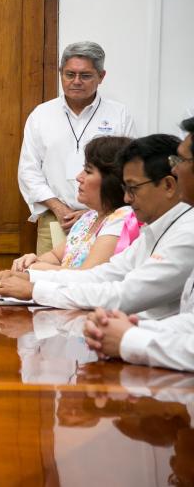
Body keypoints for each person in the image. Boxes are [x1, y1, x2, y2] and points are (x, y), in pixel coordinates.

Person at [0, 134, 194, 320]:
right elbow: (102, 275)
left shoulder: (186, 234)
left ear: (168, 185)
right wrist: (30, 277)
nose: (126, 198)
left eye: (133, 188)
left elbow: (123, 294)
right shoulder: (156, 229)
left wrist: (34, 289)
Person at [84, 117, 194, 371]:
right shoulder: (164, 226)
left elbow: (124, 295)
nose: (174, 170)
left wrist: (128, 338)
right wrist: (132, 329)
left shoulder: (187, 232)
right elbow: (189, 323)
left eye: (181, 161)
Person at [18, 41, 139, 255]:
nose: (76, 82)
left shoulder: (119, 115)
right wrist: (58, 208)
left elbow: (130, 170)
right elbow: (28, 171)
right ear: (60, 73)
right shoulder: (41, 115)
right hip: (55, 218)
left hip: (107, 219)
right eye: (69, 74)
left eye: (85, 76)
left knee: (98, 279)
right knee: (46, 280)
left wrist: (91, 212)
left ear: (101, 76)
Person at [12, 136, 135, 272]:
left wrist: (36, 268)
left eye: (88, 171)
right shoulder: (89, 217)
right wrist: (31, 260)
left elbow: (88, 276)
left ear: (112, 179)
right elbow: (56, 256)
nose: (78, 177)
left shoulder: (123, 220)